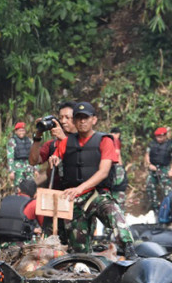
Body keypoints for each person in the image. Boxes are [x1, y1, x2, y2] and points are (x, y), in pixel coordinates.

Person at [54, 101, 137, 257]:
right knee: (78, 248)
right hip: (74, 199)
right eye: (78, 118)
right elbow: (56, 158)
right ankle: (82, 261)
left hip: (97, 194)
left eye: (85, 118)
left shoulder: (105, 140)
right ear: (74, 121)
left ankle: (129, 249)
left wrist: (81, 188)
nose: (82, 121)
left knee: (114, 213)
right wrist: (54, 158)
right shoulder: (65, 142)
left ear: (94, 119)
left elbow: (104, 171)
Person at [0, 179, 41, 249]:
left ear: (19, 190)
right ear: (35, 194)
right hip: (20, 243)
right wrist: (34, 230)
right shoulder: (33, 203)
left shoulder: (6, 199)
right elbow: (43, 225)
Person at [145, 127, 172, 212]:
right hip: (153, 168)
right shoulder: (152, 144)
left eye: (160, 137)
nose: (158, 139)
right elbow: (147, 154)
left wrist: (171, 170)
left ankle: (170, 209)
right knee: (150, 186)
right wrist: (149, 164)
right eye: (157, 137)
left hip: (164, 169)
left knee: (167, 189)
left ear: (165, 136)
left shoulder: (170, 145)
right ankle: (155, 207)